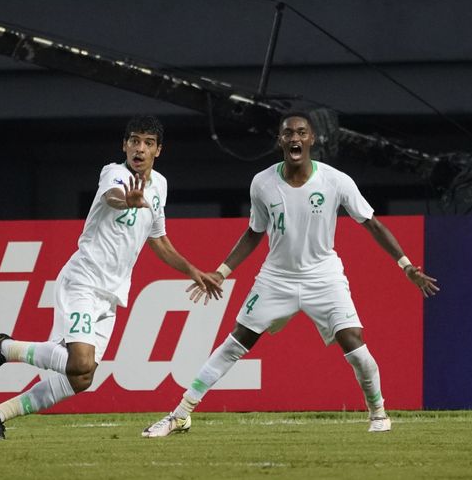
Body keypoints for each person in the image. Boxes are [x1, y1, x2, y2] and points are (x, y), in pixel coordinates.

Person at [142, 111, 440, 438]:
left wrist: (407, 266)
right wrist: (223, 271)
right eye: (288, 133)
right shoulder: (262, 183)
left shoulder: (336, 181)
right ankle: (180, 414)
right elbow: (255, 232)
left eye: (301, 133)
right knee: (236, 341)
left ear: (312, 139)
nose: (295, 138)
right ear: (280, 140)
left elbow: (373, 223)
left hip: (323, 277)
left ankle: (378, 412)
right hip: (276, 278)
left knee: (355, 345)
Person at [0, 115, 223, 439]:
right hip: (83, 281)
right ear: (124, 145)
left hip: (112, 294)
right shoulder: (114, 174)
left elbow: (157, 238)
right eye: (134, 140)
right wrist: (127, 200)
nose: (139, 148)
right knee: (78, 362)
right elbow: (112, 198)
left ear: (158, 150)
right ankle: (6, 349)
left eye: (147, 142)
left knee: (81, 378)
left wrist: (192, 270)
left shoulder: (159, 185)